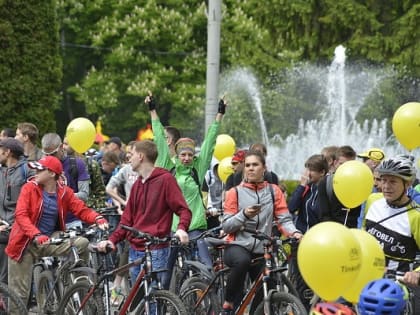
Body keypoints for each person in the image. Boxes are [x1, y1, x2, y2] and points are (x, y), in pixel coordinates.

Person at [5, 156, 109, 312]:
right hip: (24, 244)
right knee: (20, 296)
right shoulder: (29, 188)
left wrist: (97, 218)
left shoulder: (64, 192)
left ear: (52, 174)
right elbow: (21, 215)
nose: (36, 171)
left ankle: (71, 279)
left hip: (50, 240)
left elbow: (81, 210)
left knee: (82, 243)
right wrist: (36, 234)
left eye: (40, 169)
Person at [146, 92, 226, 274]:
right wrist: (152, 110)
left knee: (206, 268)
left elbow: (210, 142)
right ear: (177, 154)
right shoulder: (168, 166)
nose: (187, 158)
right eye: (183, 154)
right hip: (174, 228)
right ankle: (167, 300)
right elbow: (159, 136)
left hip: (196, 226)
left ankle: (204, 295)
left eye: (190, 154)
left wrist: (219, 115)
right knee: (167, 271)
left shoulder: (198, 168)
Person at [96, 140, 191, 287]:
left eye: (132, 154)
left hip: (157, 249)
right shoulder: (137, 186)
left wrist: (181, 228)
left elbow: (183, 209)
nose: (129, 158)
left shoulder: (165, 180)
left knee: (154, 302)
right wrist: (112, 240)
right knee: (140, 302)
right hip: (135, 251)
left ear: (140, 156)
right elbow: (126, 221)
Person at [221, 150, 302, 314]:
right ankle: (228, 303)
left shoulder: (274, 191)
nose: (250, 168)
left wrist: (294, 233)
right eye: (248, 165)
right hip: (237, 245)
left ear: (264, 168)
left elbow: (284, 219)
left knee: (268, 284)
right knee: (242, 261)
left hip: (262, 248)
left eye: (255, 165)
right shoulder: (234, 192)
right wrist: (243, 215)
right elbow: (227, 225)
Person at [362, 156, 420, 273]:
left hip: (396, 283)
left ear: (407, 184)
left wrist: (416, 273)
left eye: (393, 181)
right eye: (383, 180)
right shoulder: (373, 200)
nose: (386, 186)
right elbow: (364, 233)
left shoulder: (416, 216)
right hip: (366, 273)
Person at [288, 154, 329, 309]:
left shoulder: (325, 191)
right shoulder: (307, 188)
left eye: (311, 170)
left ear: (322, 172)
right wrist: (301, 186)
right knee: (301, 283)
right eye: (307, 168)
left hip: (317, 243)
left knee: (317, 281)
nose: (307, 173)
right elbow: (291, 207)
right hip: (300, 241)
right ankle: (302, 309)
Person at [0, 139, 34, 284]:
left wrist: (14, 225)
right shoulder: (1, 172)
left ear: (7, 152)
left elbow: (33, 202)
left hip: (18, 229)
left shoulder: (27, 170)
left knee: (8, 278)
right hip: (2, 227)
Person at [42, 133, 90, 228]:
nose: (50, 158)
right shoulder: (41, 165)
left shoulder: (77, 163)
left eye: (53, 154)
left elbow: (84, 194)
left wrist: (61, 195)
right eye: (46, 155)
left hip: (72, 221)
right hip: (48, 222)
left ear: (61, 147)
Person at [316, 145, 361, 227]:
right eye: (342, 164)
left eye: (349, 165)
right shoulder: (326, 183)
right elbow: (323, 214)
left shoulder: (359, 184)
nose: (345, 168)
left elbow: (359, 215)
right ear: (335, 163)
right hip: (332, 232)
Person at [202, 159, 223, 229]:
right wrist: (209, 207)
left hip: (221, 212)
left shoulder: (226, 175)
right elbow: (205, 192)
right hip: (209, 212)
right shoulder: (208, 175)